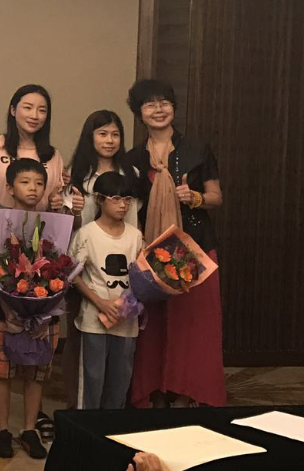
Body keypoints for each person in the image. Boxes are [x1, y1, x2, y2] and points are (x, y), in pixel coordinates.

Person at [125, 79, 225, 408]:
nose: (158, 109)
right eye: (150, 104)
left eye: (164, 102)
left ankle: (185, 395)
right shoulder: (133, 158)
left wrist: (194, 197)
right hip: (153, 249)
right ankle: (155, 393)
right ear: (139, 112)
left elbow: (216, 197)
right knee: (153, 326)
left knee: (192, 327)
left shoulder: (196, 148)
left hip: (194, 248)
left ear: (174, 107)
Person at [0, 84, 64, 439]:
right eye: (27, 107)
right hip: (1, 241)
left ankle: (31, 416)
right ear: (13, 110)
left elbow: (55, 200)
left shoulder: (53, 155)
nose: (34, 115)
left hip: (42, 243)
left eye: (42, 109)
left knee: (37, 328)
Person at [61, 109, 137, 407]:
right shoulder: (76, 173)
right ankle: (78, 408)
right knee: (84, 347)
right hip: (85, 264)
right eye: (102, 133)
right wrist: (75, 210)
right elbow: (67, 222)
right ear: (90, 137)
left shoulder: (131, 173)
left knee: (120, 359)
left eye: (115, 134)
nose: (109, 140)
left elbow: (134, 221)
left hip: (124, 262)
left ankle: (111, 413)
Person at [0, 158, 55, 460]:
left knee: (35, 372)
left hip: (42, 312)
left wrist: (46, 313)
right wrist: (7, 309)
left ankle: (29, 429)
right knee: (4, 372)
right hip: (7, 313)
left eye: (39, 183)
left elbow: (59, 270)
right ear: (10, 187)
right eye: (25, 182)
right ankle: (2, 429)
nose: (33, 188)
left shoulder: (52, 223)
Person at [70, 172, 144, 409]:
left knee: (120, 382)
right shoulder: (87, 234)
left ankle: (111, 427)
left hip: (126, 320)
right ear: (100, 199)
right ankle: (87, 427)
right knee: (92, 379)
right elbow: (72, 274)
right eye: (116, 199)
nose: (123, 205)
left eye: (127, 200)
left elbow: (143, 276)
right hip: (94, 319)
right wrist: (100, 302)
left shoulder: (135, 236)